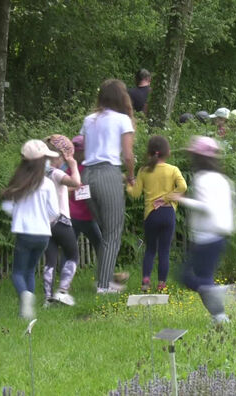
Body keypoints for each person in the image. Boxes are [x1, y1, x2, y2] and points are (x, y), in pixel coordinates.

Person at [167, 136, 236, 324]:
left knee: (186, 277)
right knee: (204, 280)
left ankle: (220, 293)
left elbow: (206, 207)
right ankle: (220, 317)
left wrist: (181, 199)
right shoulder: (222, 179)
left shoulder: (203, 179)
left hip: (206, 237)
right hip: (220, 236)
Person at [80, 79, 136, 294]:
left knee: (104, 231)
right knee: (113, 233)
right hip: (108, 173)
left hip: (87, 176)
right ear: (122, 97)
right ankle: (104, 286)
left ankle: (106, 278)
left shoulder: (89, 120)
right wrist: (130, 176)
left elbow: (84, 150)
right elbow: (128, 156)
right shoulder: (122, 120)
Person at [1, 140, 60, 319]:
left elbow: (7, 206)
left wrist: (19, 214)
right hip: (43, 234)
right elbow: (55, 212)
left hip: (24, 232)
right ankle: (27, 312)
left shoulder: (18, 182)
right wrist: (45, 219)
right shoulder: (48, 184)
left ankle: (25, 297)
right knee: (30, 270)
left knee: (18, 272)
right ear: (43, 161)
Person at [127, 136, 187, 292]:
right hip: (168, 214)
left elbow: (135, 194)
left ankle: (146, 281)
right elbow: (183, 187)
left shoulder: (143, 171)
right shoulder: (173, 169)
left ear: (149, 152)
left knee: (150, 250)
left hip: (151, 215)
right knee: (164, 251)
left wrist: (129, 183)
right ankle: (161, 284)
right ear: (167, 152)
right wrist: (166, 198)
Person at [42, 135, 82, 307]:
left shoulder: (40, 174)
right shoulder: (56, 173)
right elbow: (75, 182)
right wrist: (73, 165)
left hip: (46, 224)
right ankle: (62, 291)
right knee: (73, 255)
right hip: (62, 222)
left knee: (50, 260)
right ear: (57, 157)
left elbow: (66, 187)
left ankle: (47, 298)